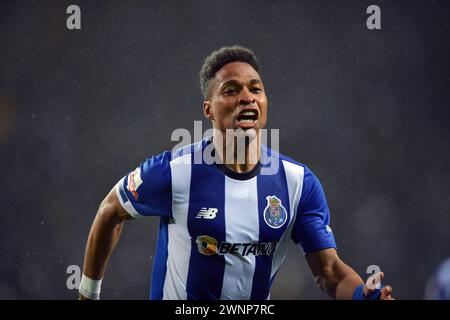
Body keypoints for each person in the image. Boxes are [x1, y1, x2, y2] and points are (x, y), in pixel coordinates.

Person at [79, 45, 394, 300]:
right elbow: (111, 210)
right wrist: (88, 293)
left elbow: (329, 271)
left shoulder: (298, 183)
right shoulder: (176, 173)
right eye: (231, 90)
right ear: (209, 109)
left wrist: (360, 295)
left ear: (265, 103)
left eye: (255, 89)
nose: (247, 96)